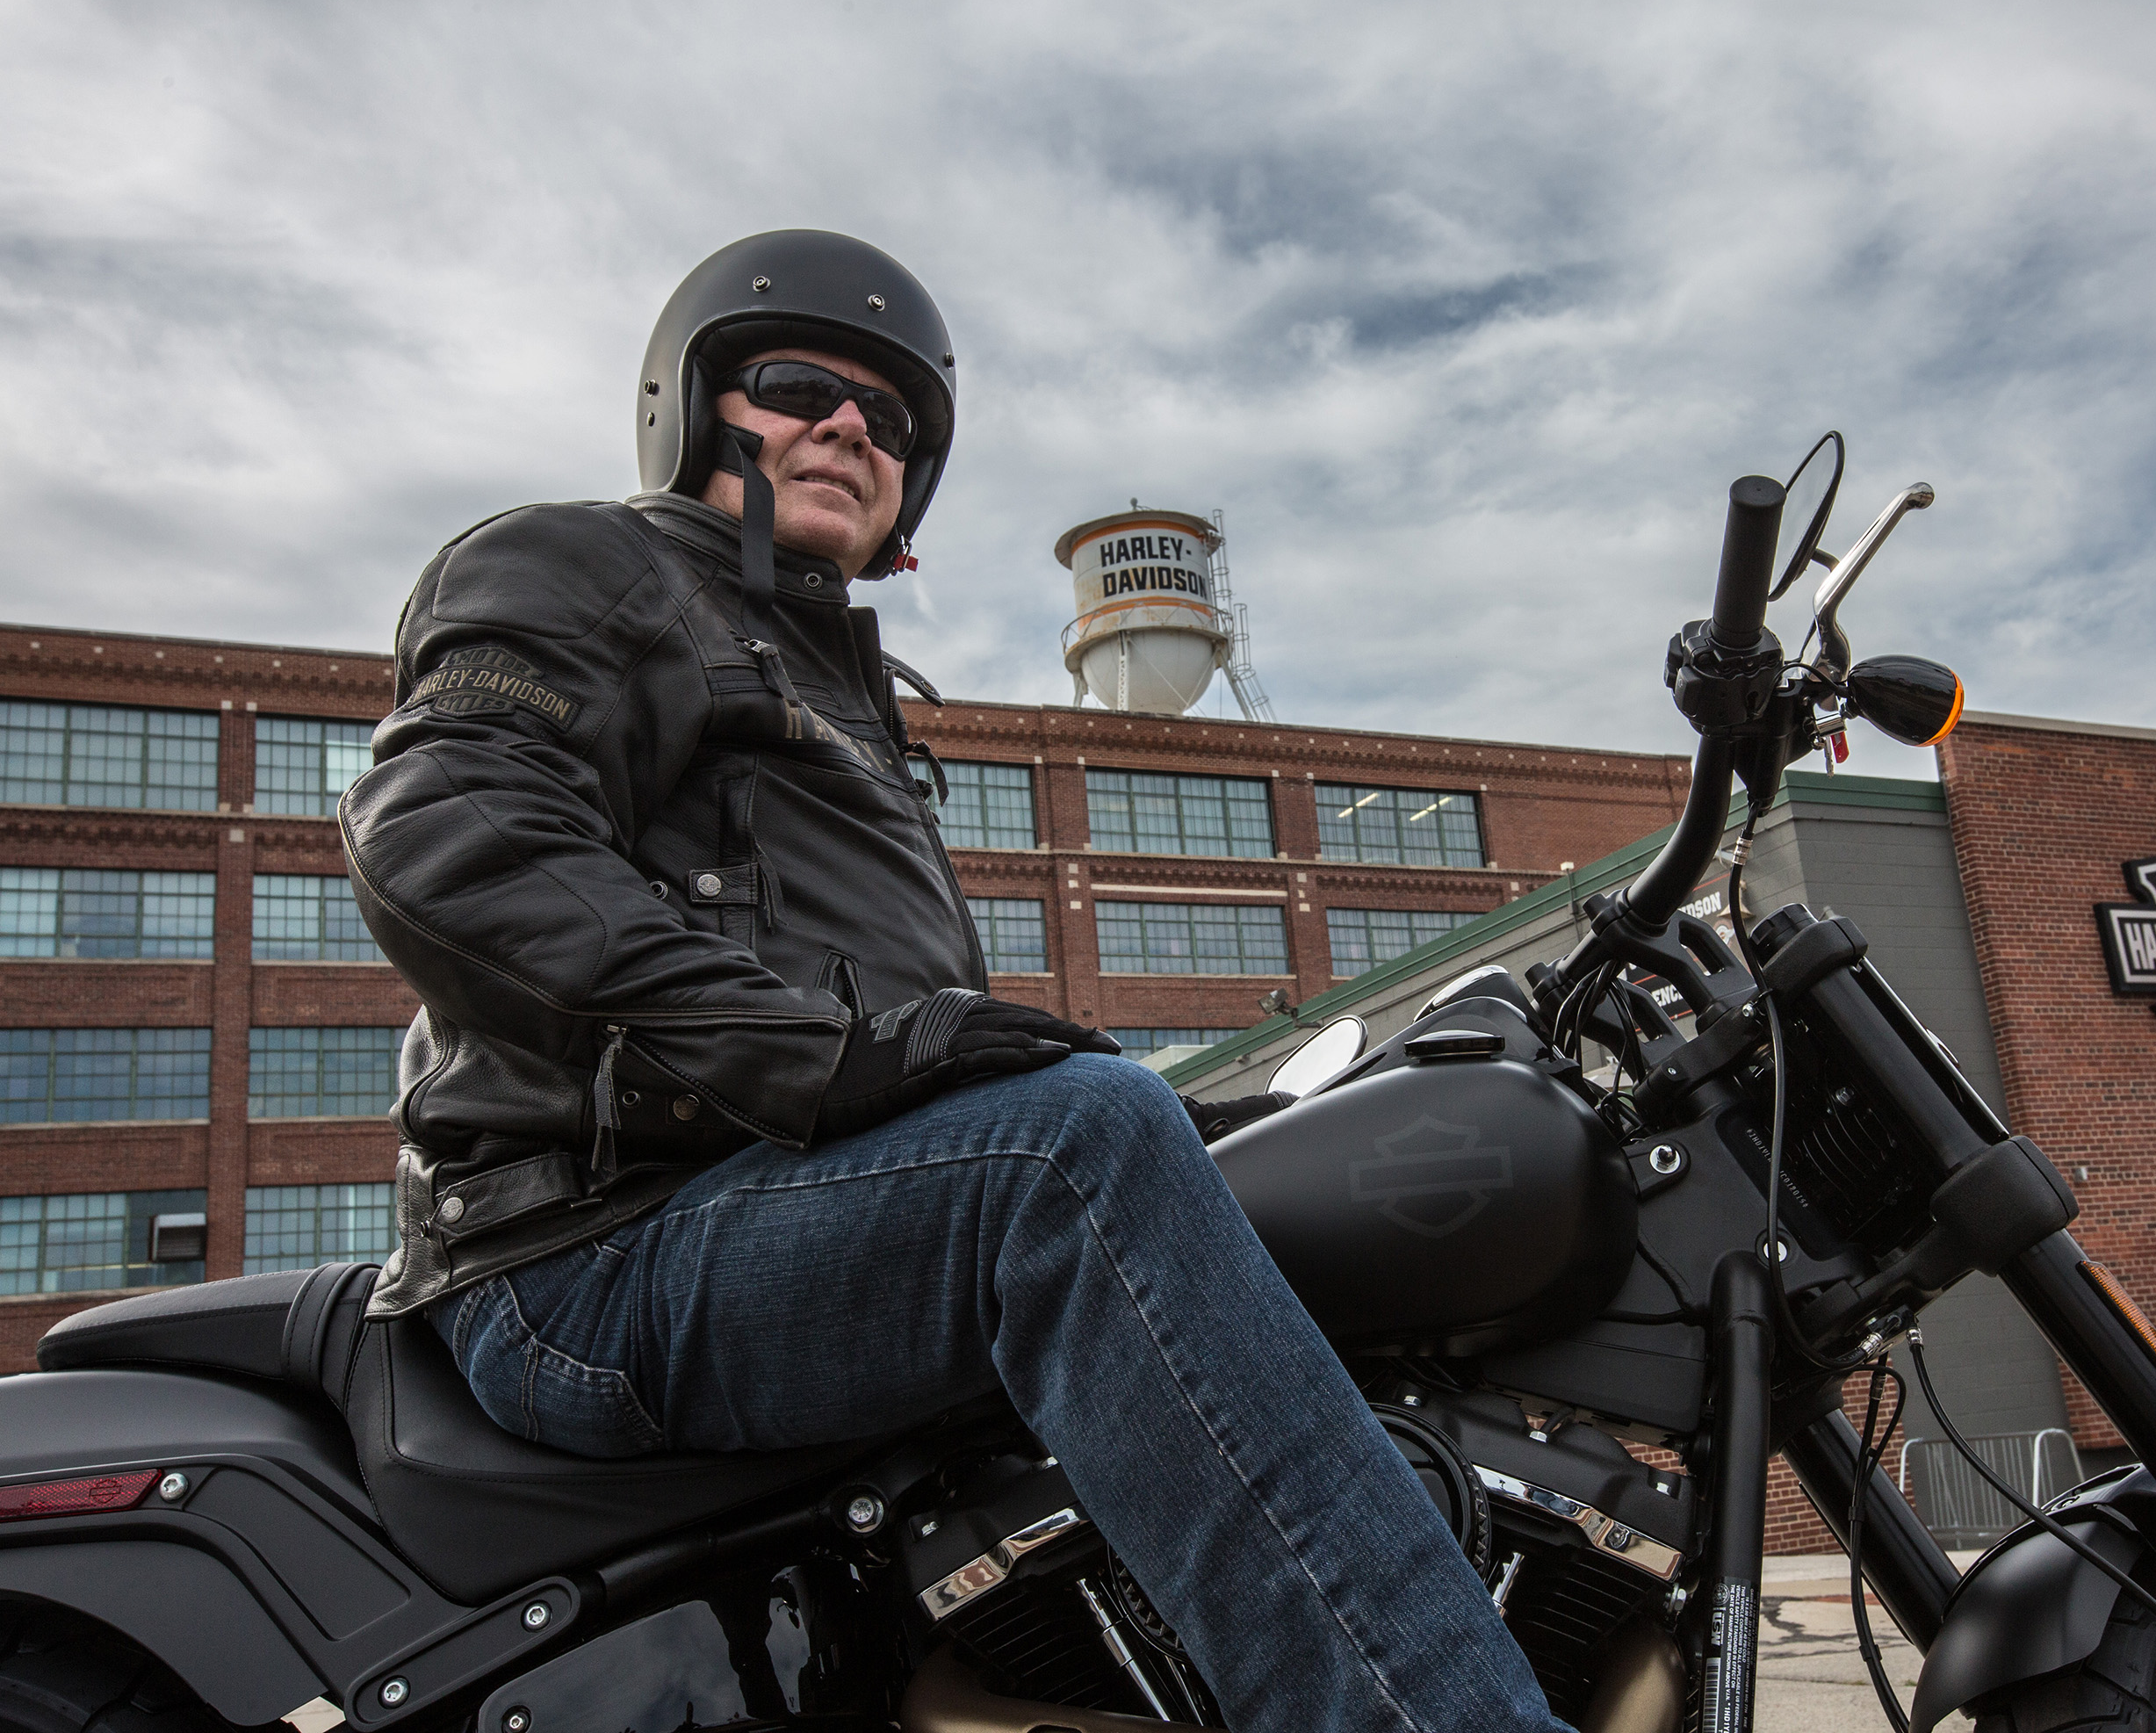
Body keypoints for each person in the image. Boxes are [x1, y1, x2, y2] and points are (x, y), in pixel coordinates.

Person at [341, 230, 1569, 1733]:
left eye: (894, 422)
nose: (855, 428)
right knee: (1078, 1148)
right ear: (694, 404)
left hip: (762, 1218)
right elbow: (454, 836)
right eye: (801, 387)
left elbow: (937, 1071)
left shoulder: (838, 695)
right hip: (589, 1248)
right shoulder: (585, 567)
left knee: (1192, 1152)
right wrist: (826, 1053)